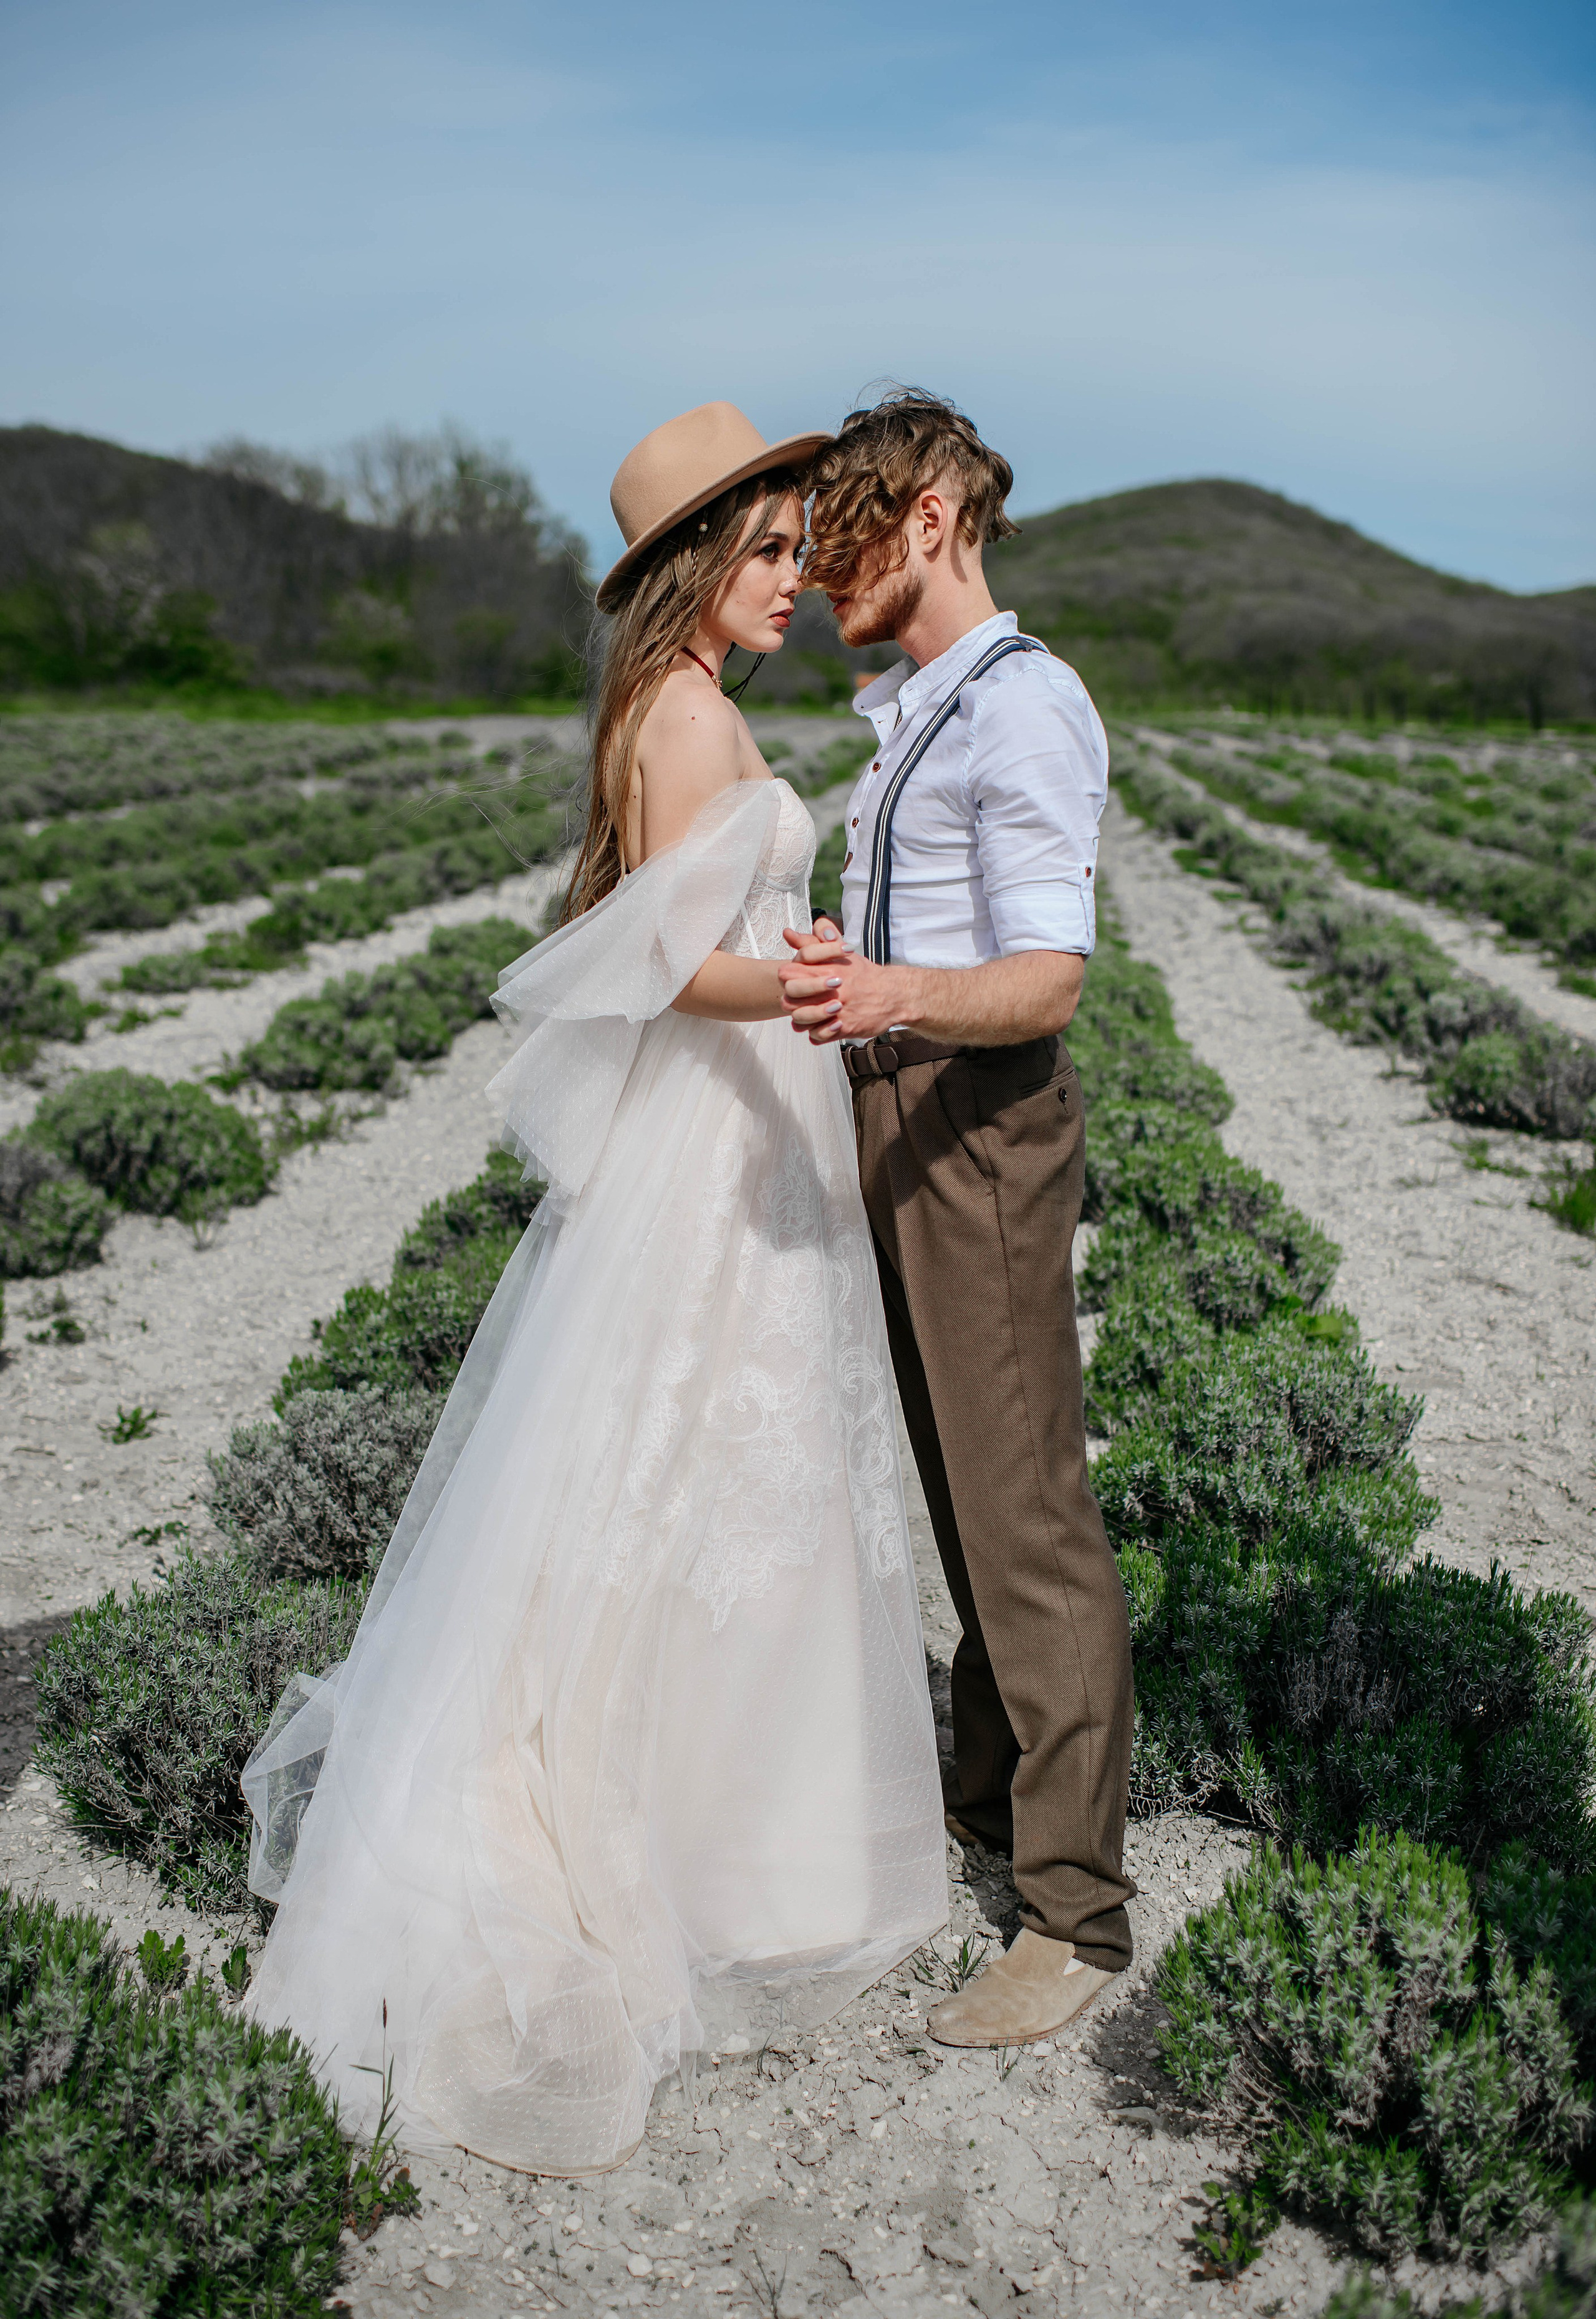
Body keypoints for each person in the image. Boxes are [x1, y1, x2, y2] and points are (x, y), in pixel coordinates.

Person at [241, 402, 947, 2177]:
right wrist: (806, 981)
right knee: (707, 1466)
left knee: (722, 1473)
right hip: (720, 1134)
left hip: (734, 1129)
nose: (798, 579)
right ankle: (711, 1860)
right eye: (774, 551)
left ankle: (753, 1840)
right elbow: (648, 961)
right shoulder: (687, 712)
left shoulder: (671, 707)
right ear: (700, 566)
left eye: (800, 551)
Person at [777, 386, 1136, 2047]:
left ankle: (1073, 1916)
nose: (816, 558)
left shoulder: (1026, 708)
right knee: (957, 1488)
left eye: (848, 520)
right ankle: (990, 1804)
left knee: (1025, 1516)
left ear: (935, 517)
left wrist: (887, 993)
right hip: (905, 1095)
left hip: (976, 1119)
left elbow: (1049, 980)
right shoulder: (928, 701)